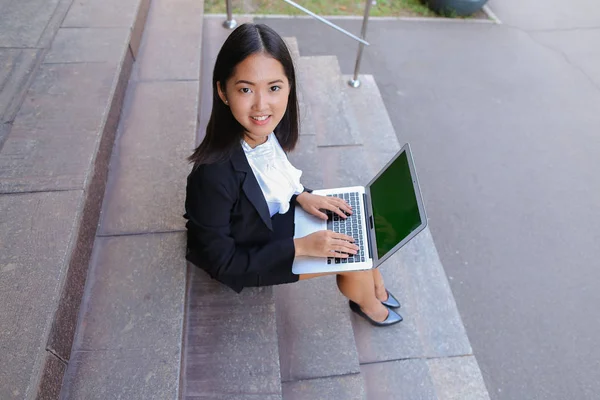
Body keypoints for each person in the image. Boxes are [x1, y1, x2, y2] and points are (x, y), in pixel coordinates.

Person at [184, 23, 402, 326]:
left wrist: (301, 194)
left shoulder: (263, 134)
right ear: (222, 90)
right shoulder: (211, 176)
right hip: (254, 254)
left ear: (289, 87)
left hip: (273, 222)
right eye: (246, 89)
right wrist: (302, 247)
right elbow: (224, 262)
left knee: (362, 233)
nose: (262, 105)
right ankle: (370, 305)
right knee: (355, 263)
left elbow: (270, 178)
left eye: (274, 88)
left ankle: (375, 288)